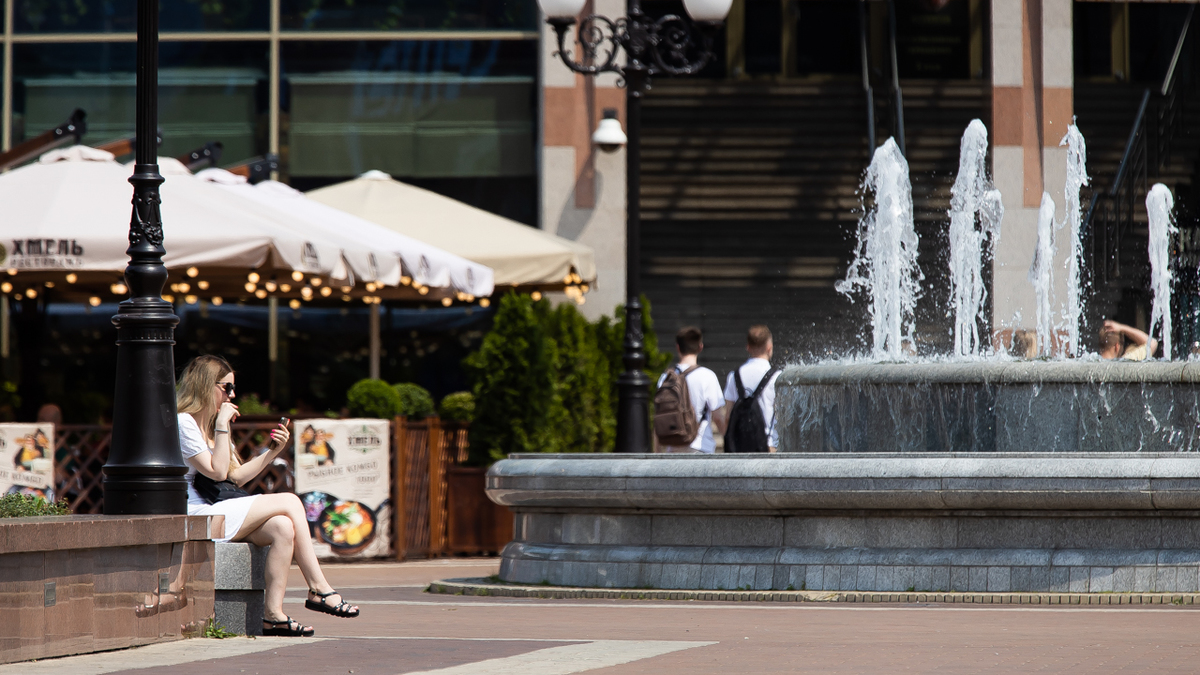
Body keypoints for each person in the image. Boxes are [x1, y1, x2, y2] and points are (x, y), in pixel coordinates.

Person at [176, 355, 359, 637]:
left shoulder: (214, 426)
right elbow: (216, 471)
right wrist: (223, 426)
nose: (232, 395)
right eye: (227, 388)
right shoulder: (184, 422)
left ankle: (273, 615)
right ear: (205, 385)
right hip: (195, 516)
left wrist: (273, 451)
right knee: (290, 501)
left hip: (217, 512)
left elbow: (234, 476)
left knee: (282, 527)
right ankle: (319, 588)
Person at [655, 327, 727, 453]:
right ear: (700, 347)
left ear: (678, 347)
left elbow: (659, 417)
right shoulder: (707, 376)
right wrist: (729, 440)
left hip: (672, 448)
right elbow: (717, 417)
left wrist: (657, 452)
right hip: (700, 447)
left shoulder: (665, 378)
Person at [724, 325, 781, 452]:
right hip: (768, 447)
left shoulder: (734, 376)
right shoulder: (777, 377)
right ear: (769, 348)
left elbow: (727, 416)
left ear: (748, 347)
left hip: (740, 448)